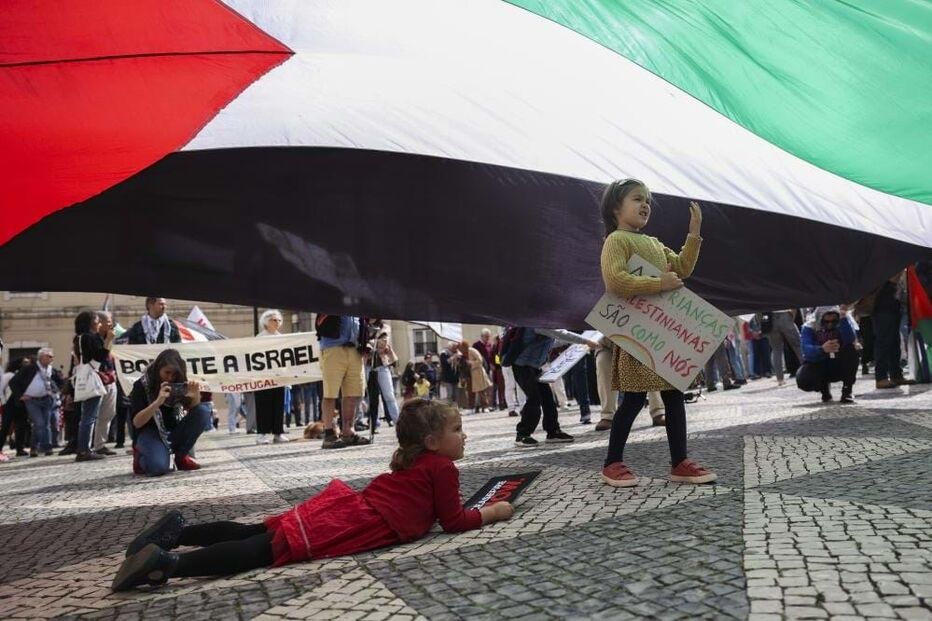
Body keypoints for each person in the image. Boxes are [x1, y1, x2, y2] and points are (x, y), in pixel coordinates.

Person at [110, 399, 515, 591]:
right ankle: (169, 565)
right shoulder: (442, 467)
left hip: (347, 508)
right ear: (430, 440)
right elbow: (454, 522)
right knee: (262, 553)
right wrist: (495, 511)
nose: (465, 435)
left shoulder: (413, 459)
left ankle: (178, 533)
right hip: (358, 523)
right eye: (458, 429)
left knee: (259, 533)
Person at [598, 179, 716, 487]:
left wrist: (694, 234)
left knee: (674, 395)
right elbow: (615, 282)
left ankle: (679, 462)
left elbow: (682, 267)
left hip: (662, 332)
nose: (645, 204)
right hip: (639, 333)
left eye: (648, 199)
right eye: (637, 198)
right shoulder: (616, 241)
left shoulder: (652, 241)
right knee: (634, 399)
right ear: (615, 208)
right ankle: (612, 462)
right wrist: (658, 284)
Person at [509, 328, 598, 447]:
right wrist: (585, 341)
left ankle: (553, 432)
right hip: (522, 366)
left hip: (534, 366)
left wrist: (573, 342)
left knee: (547, 398)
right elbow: (559, 333)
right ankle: (522, 434)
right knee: (534, 398)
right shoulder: (538, 321)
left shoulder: (544, 324)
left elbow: (553, 340)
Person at [129, 349, 213, 475]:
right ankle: (141, 458)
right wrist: (157, 402)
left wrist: (195, 395)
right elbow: (137, 423)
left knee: (203, 410)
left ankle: (180, 456)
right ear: (158, 369)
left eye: (174, 374)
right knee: (158, 468)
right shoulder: (141, 385)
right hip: (149, 432)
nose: (170, 377)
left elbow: (192, 412)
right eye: (167, 373)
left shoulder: (178, 383)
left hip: (173, 430)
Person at [316, 314, 371, 449]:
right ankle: (329, 433)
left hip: (355, 349)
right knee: (330, 393)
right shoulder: (331, 296)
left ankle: (348, 431)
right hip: (332, 347)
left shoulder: (356, 301)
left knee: (353, 393)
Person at [72, 310, 114, 462]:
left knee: (86, 416)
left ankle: (83, 448)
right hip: (91, 377)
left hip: (83, 375)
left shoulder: (79, 338)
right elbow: (99, 358)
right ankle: (84, 450)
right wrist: (108, 341)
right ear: (91, 324)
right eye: (97, 322)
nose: (99, 325)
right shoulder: (90, 338)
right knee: (89, 416)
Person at [8, 348, 64, 457]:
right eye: (49, 356)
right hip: (32, 401)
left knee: (46, 424)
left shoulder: (51, 370)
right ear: (41, 357)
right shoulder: (30, 368)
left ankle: (45, 448)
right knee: (39, 423)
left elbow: (61, 382)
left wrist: (57, 391)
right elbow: (13, 382)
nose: (52, 358)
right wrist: (20, 395)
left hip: (47, 399)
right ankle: (37, 447)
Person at [797, 306, 858, 403]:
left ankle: (847, 390)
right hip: (821, 362)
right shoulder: (809, 327)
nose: (830, 324)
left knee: (851, 350)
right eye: (826, 322)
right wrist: (822, 349)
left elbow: (850, 339)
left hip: (839, 362)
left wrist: (843, 319)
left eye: (833, 321)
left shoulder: (843, 322)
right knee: (804, 379)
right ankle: (824, 389)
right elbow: (806, 350)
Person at [254, 310, 290, 444]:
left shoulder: (281, 338)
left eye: (279, 320)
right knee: (263, 405)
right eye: (274, 320)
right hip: (263, 377)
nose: (277, 322)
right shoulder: (260, 338)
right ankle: (261, 434)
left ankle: (278, 433)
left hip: (279, 376)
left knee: (278, 405)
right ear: (266, 322)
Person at [873, 272, 914, 389]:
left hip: (893, 306)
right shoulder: (883, 265)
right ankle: (881, 377)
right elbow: (892, 279)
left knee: (894, 342)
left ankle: (896, 374)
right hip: (882, 307)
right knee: (884, 341)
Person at [92, 311, 120, 456]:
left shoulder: (111, 338)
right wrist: (108, 340)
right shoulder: (94, 339)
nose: (111, 324)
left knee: (108, 413)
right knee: (92, 414)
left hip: (110, 379)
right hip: (97, 380)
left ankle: (100, 444)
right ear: (100, 323)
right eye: (108, 321)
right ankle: (87, 445)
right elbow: (100, 356)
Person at [764, 310, 803, 386]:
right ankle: (809, 370)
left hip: (771, 318)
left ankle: (780, 379)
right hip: (785, 314)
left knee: (776, 350)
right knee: (798, 346)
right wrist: (792, 316)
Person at [458, 341, 493, 414]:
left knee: (481, 391)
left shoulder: (472, 350)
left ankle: (485, 406)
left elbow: (480, 360)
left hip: (477, 373)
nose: (461, 350)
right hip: (469, 375)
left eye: (461, 348)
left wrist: (471, 363)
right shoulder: (462, 355)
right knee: (470, 392)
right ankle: (471, 407)